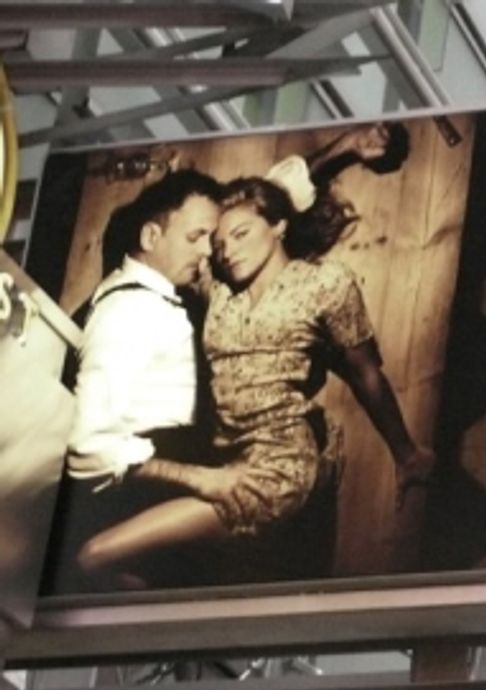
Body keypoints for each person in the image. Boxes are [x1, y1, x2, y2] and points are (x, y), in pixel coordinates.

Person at [74, 169, 434, 581]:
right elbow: (168, 245)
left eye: (242, 234)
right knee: (140, 571)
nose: (227, 250)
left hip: (275, 469)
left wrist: (406, 454)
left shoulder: (326, 284)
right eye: (220, 243)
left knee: (95, 555)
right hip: (225, 461)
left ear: (279, 225)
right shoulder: (217, 286)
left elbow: (365, 373)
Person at [48, 170, 223, 590]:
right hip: (127, 501)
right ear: (150, 237)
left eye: (210, 240)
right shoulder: (129, 311)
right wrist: (198, 478)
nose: (206, 252)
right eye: (195, 236)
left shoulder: (154, 299)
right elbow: (90, 445)